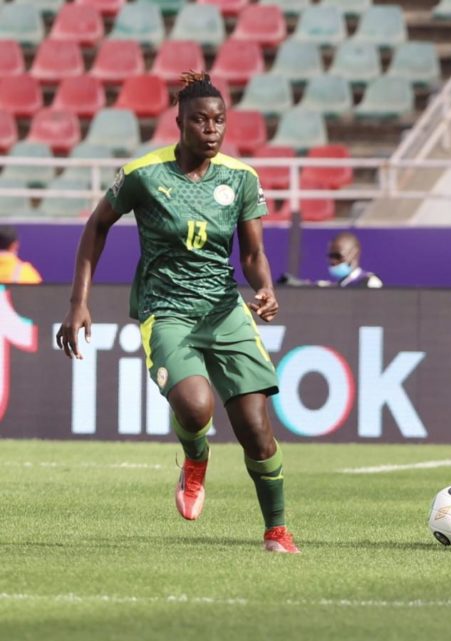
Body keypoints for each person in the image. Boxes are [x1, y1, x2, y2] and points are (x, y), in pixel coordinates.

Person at [55, 72, 299, 554]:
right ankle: (194, 458)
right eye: (200, 120)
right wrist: (78, 302)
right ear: (179, 124)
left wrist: (266, 288)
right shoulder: (144, 175)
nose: (211, 129)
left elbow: (251, 254)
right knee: (196, 406)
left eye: (219, 121)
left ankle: (276, 530)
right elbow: (96, 226)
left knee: (257, 431)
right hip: (166, 310)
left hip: (225, 310)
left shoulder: (241, 178)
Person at [277, 232, 383, 289]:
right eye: (331, 256)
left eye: (338, 256)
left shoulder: (370, 283)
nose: (333, 261)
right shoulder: (338, 285)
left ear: (354, 254)